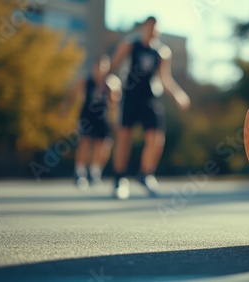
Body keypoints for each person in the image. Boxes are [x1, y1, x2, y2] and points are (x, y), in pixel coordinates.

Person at [109, 16, 190, 199]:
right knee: (124, 136)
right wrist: (110, 87)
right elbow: (113, 66)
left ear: (158, 30)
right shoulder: (130, 45)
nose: (152, 29)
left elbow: (165, 78)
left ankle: (145, 174)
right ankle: (119, 179)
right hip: (129, 96)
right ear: (144, 28)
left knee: (156, 137)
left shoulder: (162, 52)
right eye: (149, 26)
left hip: (149, 98)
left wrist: (178, 94)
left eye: (155, 27)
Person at [63, 56, 122, 189]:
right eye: (99, 66)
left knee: (104, 144)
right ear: (94, 67)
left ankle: (95, 171)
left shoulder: (112, 82)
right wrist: (66, 110)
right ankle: (80, 172)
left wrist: (112, 92)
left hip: (103, 117)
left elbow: (115, 102)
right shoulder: (86, 80)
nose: (101, 70)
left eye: (104, 67)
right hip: (87, 116)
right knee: (84, 142)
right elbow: (72, 94)